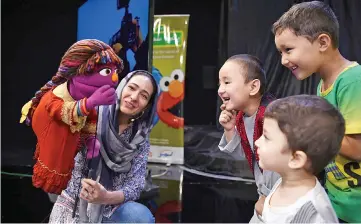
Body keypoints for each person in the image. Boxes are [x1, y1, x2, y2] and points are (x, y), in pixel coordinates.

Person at [273, 2, 361, 222]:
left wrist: (309, 129)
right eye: (280, 52)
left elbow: (358, 149)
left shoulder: (352, 80)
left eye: (288, 50)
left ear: (322, 42)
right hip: (337, 206)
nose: (283, 60)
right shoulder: (322, 86)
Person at [49, 70, 159, 223]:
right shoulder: (92, 115)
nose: (134, 97)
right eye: (132, 88)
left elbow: (136, 185)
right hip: (74, 201)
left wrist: (105, 197)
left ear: (146, 106)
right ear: (121, 87)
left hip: (110, 207)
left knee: (140, 217)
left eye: (144, 96)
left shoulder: (139, 137)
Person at [253, 95, 343, 223]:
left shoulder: (313, 215)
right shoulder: (282, 183)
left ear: (296, 159)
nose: (257, 142)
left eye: (266, 137)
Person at [217, 54, 280, 220]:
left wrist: (268, 197)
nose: (220, 89)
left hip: (279, 200)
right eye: (220, 83)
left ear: (253, 87)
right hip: (266, 198)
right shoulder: (241, 117)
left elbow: (279, 163)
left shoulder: (272, 116)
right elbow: (248, 155)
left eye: (227, 82)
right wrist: (230, 130)